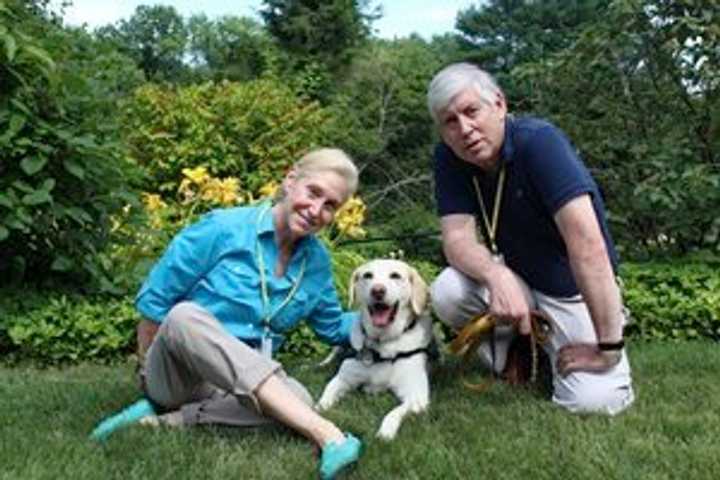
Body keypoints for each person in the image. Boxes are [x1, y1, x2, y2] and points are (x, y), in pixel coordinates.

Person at [93, 148, 363, 479]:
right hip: (180, 370)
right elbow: (155, 305)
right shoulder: (223, 228)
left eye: (330, 205)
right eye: (314, 193)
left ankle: (166, 419)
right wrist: (150, 376)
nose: (316, 210)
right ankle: (328, 435)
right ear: (291, 181)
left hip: (240, 383)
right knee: (184, 315)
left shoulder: (316, 262)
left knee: (298, 399)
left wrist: (392, 317)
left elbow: (333, 326)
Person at [427, 62, 634, 415]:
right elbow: (457, 238)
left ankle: (595, 328)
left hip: (571, 287)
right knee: (448, 292)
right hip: (517, 279)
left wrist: (609, 348)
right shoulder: (449, 158)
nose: (465, 129)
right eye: (450, 121)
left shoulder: (539, 142)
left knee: (594, 402)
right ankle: (519, 349)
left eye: (471, 111)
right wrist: (496, 274)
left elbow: (587, 244)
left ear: (500, 104)